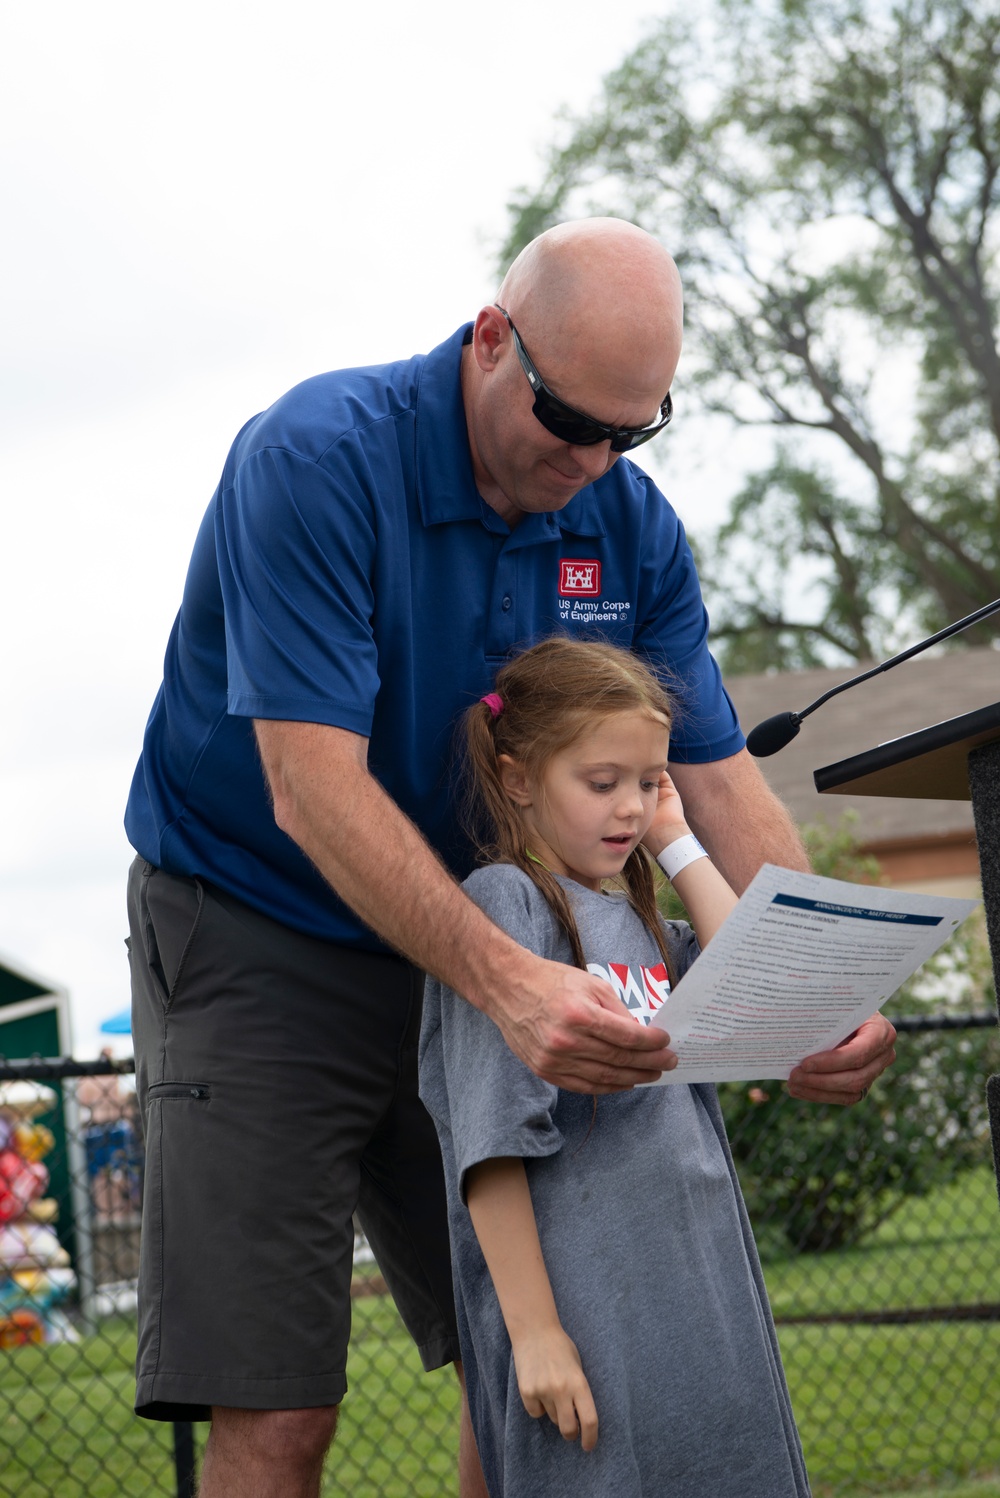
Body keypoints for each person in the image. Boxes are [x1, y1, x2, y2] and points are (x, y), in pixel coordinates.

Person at [124, 217, 895, 1498]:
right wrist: (509, 982)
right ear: (492, 339)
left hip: (495, 939)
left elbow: (708, 773)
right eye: (568, 420)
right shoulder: (317, 460)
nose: (592, 460)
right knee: (279, 1411)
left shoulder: (630, 531)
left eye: (629, 432)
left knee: (539, 1360)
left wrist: (811, 990)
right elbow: (309, 786)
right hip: (259, 934)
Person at [419, 637, 811, 1496]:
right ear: (519, 778)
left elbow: (754, 978)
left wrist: (678, 844)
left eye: (649, 782)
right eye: (603, 783)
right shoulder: (505, 906)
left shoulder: (639, 917)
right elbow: (490, 1142)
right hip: (588, 1307)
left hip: (700, 1295)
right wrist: (535, 1331)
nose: (629, 807)